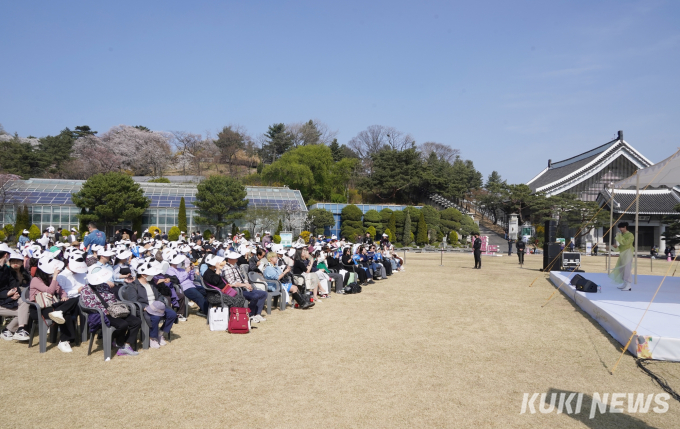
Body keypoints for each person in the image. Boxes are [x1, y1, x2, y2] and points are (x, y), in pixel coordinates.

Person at [80, 265, 140, 356]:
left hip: (114, 310)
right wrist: (105, 311)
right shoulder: (86, 290)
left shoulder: (105, 285)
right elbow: (90, 305)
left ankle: (126, 345)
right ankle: (120, 344)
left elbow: (113, 298)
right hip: (102, 314)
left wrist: (116, 307)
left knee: (136, 321)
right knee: (122, 324)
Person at [29, 257, 80, 353]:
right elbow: (50, 291)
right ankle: (64, 341)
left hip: (51, 305)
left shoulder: (49, 279)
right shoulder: (35, 280)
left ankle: (60, 312)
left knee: (74, 300)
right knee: (66, 313)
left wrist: (64, 296)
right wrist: (55, 276)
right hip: (38, 309)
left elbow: (61, 291)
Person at [123, 262, 177, 348]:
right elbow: (133, 301)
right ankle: (152, 338)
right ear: (143, 274)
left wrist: (160, 302)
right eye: (149, 274)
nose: (152, 276)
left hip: (156, 305)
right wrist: (145, 307)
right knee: (155, 317)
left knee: (172, 314)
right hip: (145, 308)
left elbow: (159, 295)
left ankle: (160, 333)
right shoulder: (133, 286)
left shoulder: (151, 283)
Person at [222, 251, 268, 323]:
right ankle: (250, 315)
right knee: (254, 296)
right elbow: (232, 283)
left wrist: (247, 284)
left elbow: (242, 278)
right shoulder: (226, 268)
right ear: (229, 259)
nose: (237, 259)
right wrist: (245, 285)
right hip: (236, 290)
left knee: (264, 294)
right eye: (235, 258)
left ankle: (257, 313)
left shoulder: (235, 266)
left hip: (243, 288)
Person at [0, 249, 31, 341]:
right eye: (13, 260)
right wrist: (7, 294)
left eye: (18, 261)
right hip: (3, 300)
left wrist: (15, 292)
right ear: (6, 255)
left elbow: (13, 283)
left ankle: (17, 330)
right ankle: (8, 330)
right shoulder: (7, 270)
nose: (15, 263)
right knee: (23, 313)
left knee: (25, 304)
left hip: (9, 299)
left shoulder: (6, 269)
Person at [609, 222, 635, 291]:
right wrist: (614, 247)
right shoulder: (622, 235)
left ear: (625, 227)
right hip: (623, 253)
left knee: (627, 269)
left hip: (628, 253)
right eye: (619, 228)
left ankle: (628, 284)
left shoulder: (630, 235)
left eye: (621, 227)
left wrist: (619, 237)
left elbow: (626, 243)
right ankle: (625, 283)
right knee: (621, 269)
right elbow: (621, 246)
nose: (620, 229)